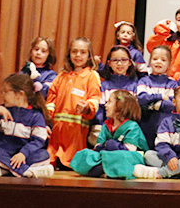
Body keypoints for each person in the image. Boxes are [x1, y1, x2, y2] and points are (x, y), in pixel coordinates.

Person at [46, 37, 101, 168]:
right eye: (74, 51)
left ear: (89, 55)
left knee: (72, 164)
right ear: (69, 54)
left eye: (83, 52)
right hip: (57, 131)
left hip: (76, 132)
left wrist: (87, 107)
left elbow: (95, 97)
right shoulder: (61, 76)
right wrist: (48, 118)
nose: (78, 55)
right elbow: (51, 99)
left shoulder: (91, 76)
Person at [0, 74, 53, 178]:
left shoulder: (36, 116)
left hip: (24, 154)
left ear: (20, 94)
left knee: (43, 155)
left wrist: (23, 153)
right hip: (4, 152)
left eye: (6, 92)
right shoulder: (2, 111)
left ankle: (4, 170)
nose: (2, 95)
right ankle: (27, 172)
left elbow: (38, 140)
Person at [133, 86, 180, 180]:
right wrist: (170, 157)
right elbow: (161, 144)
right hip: (172, 159)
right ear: (174, 102)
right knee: (148, 155)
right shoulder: (166, 122)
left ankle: (161, 173)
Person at [71, 90, 147, 179]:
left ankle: (102, 170)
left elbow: (130, 150)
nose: (106, 106)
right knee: (85, 153)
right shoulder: (106, 125)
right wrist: (105, 147)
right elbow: (99, 145)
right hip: (106, 155)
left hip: (127, 156)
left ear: (120, 107)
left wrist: (111, 145)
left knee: (121, 157)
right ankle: (109, 170)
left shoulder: (132, 126)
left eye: (109, 102)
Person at [90, 46, 138, 146]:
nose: (119, 64)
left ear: (130, 63)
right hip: (106, 131)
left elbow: (134, 112)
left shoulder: (135, 86)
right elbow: (100, 110)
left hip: (128, 132)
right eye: (115, 60)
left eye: (124, 60)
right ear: (109, 63)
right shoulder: (104, 86)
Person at [137, 45, 177, 150]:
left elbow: (172, 104)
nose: (158, 62)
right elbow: (141, 98)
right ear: (150, 62)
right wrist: (160, 96)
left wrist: (154, 105)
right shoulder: (144, 81)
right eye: (155, 59)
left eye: (163, 60)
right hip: (146, 124)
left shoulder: (172, 84)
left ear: (169, 64)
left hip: (165, 126)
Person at [145, 7, 180, 81]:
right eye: (178, 19)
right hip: (163, 79)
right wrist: (164, 30)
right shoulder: (170, 39)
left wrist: (176, 79)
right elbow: (151, 47)